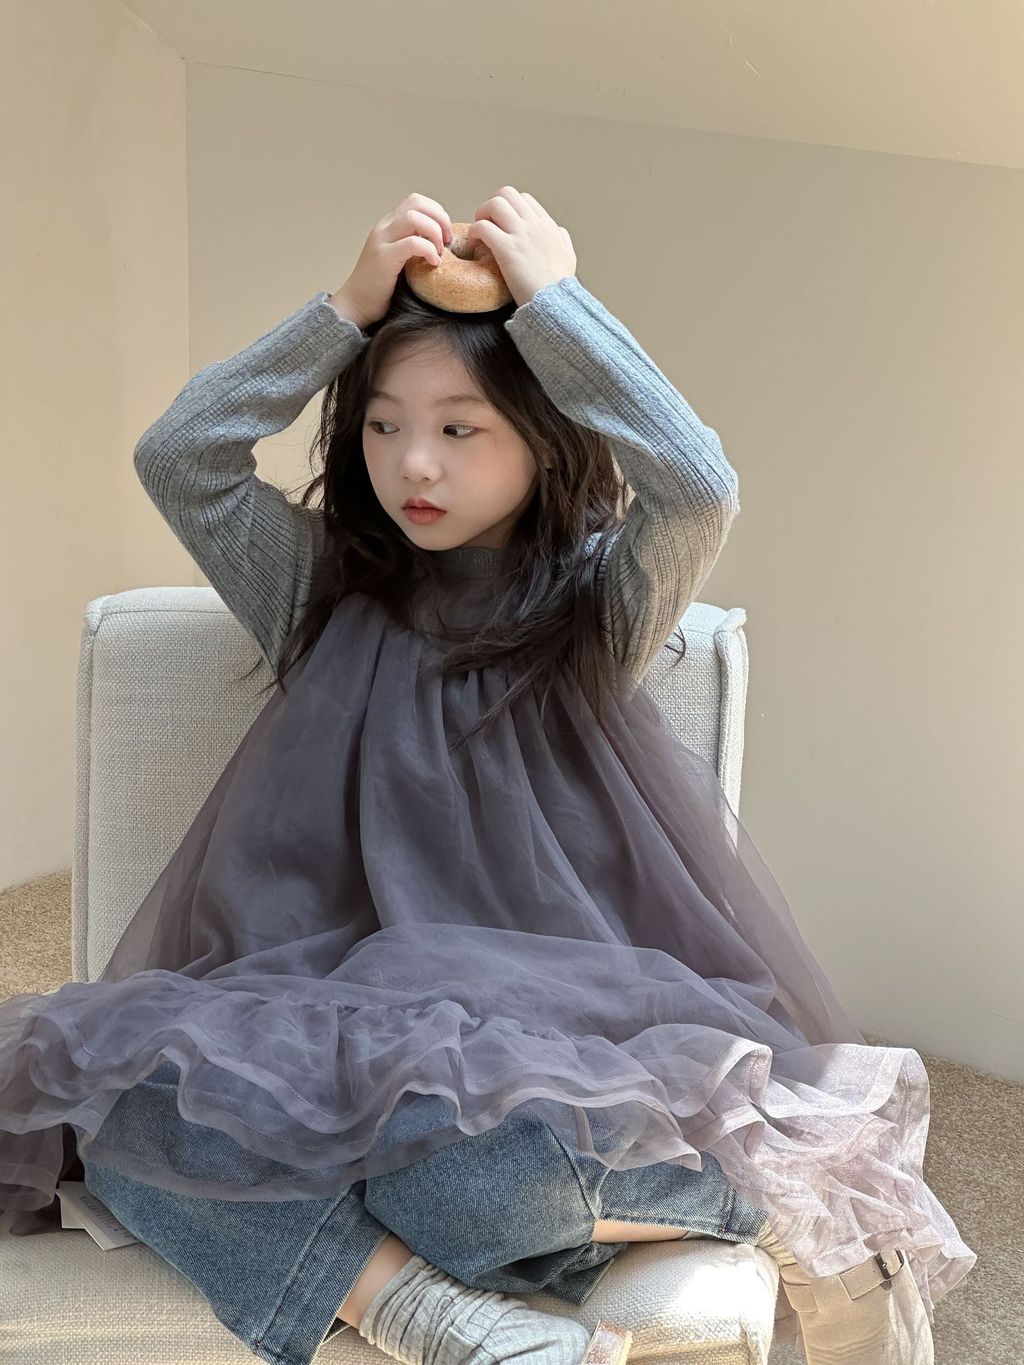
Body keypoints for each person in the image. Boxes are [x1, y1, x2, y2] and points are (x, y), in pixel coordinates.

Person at [0, 188, 973, 1364]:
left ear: (543, 438)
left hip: (558, 1022)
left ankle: (774, 1204)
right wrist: (342, 311)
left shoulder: (597, 602)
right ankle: (445, 1324)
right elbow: (182, 457)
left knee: (468, 1189)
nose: (413, 463)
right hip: (315, 1001)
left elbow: (696, 486)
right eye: (382, 426)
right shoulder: (317, 587)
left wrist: (556, 304)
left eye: (461, 430)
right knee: (115, 1117)